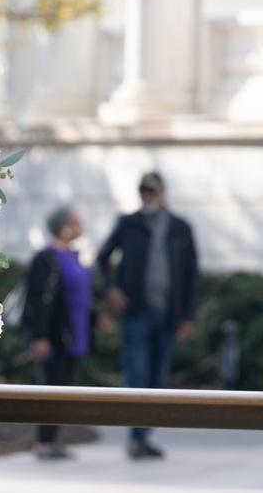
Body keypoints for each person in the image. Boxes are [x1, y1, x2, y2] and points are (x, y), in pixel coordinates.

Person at [97, 170, 199, 459]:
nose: (148, 196)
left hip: (168, 316)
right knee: (137, 376)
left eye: (152, 192)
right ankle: (136, 438)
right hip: (137, 313)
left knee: (157, 379)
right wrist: (111, 291)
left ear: (163, 193)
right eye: (144, 192)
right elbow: (102, 259)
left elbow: (192, 276)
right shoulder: (129, 224)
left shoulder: (180, 228)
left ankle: (143, 436)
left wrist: (188, 317)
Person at [23, 205, 96, 460]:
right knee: (49, 389)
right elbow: (37, 301)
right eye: (77, 220)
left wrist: (97, 319)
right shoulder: (45, 258)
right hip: (53, 337)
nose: (81, 224)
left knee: (63, 389)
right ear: (64, 227)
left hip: (74, 334)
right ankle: (43, 443)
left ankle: (53, 441)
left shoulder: (73, 255)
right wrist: (39, 337)